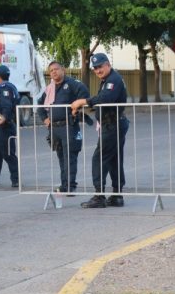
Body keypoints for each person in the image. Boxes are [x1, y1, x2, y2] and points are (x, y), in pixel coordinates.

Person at [70, 53, 129, 208]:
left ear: (108, 64)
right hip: (113, 123)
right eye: (95, 68)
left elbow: (105, 98)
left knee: (99, 158)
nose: (97, 70)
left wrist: (83, 101)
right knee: (114, 160)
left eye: (100, 66)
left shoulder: (113, 80)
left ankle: (99, 196)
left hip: (113, 124)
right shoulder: (108, 80)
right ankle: (117, 195)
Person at [36, 61, 90, 193]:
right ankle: (64, 184)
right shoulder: (50, 88)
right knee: (61, 158)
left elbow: (85, 94)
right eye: (51, 70)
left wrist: (77, 108)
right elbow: (40, 105)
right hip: (54, 128)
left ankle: (71, 186)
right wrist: (45, 119)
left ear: (63, 70)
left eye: (56, 69)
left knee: (70, 157)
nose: (53, 72)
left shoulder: (72, 84)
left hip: (68, 126)